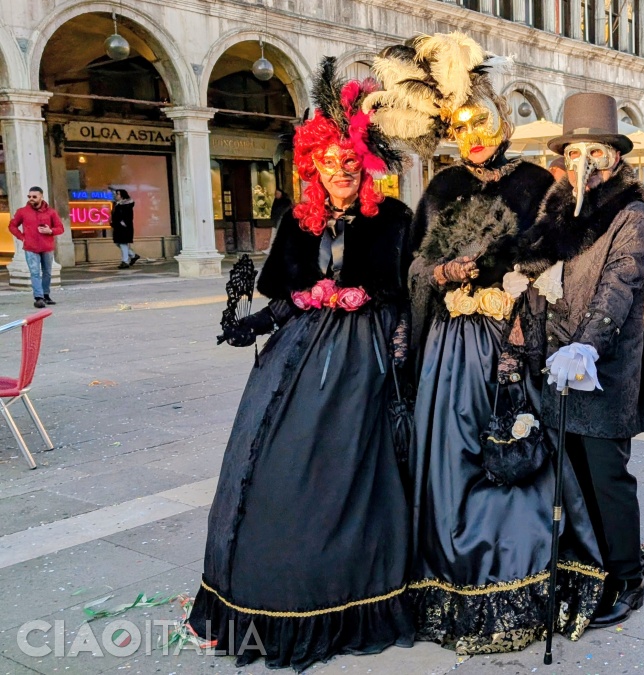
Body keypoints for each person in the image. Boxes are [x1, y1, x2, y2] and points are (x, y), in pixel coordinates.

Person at [367, 33, 605, 653]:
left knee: (509, 443)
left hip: (506, 336)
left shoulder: (534, 183)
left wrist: (518, 306)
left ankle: (516, 571)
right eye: (463, 127)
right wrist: (440, 273)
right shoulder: (442, 188)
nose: (476, 136)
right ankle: (447, 574)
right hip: (448, 344)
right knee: (448, 454)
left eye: (485, 121)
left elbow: (553, 258)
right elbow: (414, 265)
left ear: (505, 116)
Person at [185, 60, 418, 669]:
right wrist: (251, 325)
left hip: (364, 361)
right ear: (311, 165)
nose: (338, 170)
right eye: (327, 161)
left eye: (349, 161)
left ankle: (349, 595)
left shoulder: (392, 220)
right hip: (297, 357)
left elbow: (408, 293)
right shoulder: (295, 219)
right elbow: (283, 296)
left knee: (349, 472)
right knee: (275, 466)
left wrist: (369, 298)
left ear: (363, 165)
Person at [515, 92, 644, 628]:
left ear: (616, 157)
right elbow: (534, 270)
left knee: (606, 476)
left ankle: (627, 580)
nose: (586, 164)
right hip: (554, 363)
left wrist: (587, 345)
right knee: (570, 474)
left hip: (602, 365)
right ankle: (589, 568)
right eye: (576, 153)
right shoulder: (558, 207)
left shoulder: (634, 213)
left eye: (597, 152)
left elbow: (621, 282)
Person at [8, 187, 63, 308]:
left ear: (41, 196)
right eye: (29, 196)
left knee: (47, 272)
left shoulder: (51, 212)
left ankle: (46, 294)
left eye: (34, 196)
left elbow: (60, 228)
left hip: (47, 246)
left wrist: (50, 230)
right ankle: (39, 297)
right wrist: (22, 237)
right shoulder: (22, 211)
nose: (31, 199)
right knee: (35, 272)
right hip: (30, 247)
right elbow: (12, 226)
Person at [110, 189, 138, 268]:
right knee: (118, 243)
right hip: (118, 227)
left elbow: (127, 216)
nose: (116, 195)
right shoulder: (117, 204)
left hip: (123, 227)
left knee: (123, 244)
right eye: (116, 194)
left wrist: (123, 223)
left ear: (122, 195)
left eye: (118, 194)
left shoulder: (126, 205)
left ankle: (125, 261)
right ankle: (133, 255)